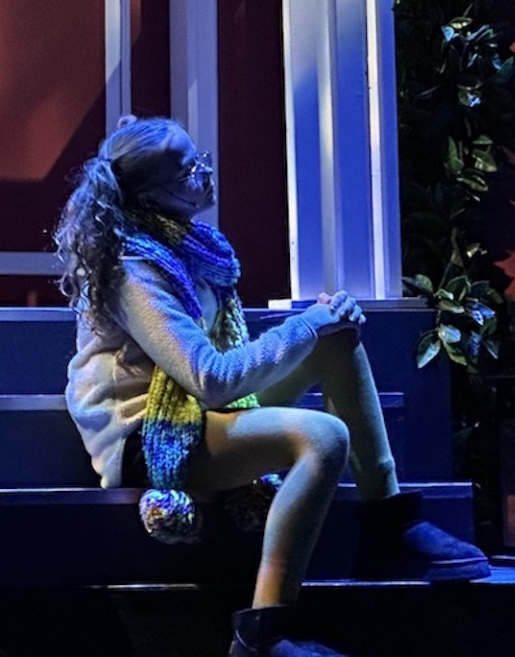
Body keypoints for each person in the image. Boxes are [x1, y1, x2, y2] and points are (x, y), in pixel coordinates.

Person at [56, 116, 489, 657]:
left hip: (197, 414)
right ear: (149, 196)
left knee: (336, 338)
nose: (206, 173)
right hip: (152, 436)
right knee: (323, 437)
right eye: (188, 171)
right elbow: (211, 379)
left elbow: (221, 373)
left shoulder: (191, 247)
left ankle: (387, 524)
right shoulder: (134, 268)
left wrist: (322, 325)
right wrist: (304, 326)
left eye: (200, 158)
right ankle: (263, 631)